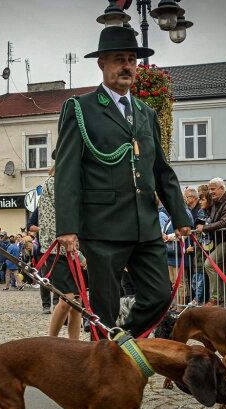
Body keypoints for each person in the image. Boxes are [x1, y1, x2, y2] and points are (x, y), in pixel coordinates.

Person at [55, 26, 191, 337]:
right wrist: (66, 226)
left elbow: (161, 170)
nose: (127, 66)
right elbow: (67, 170)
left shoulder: (146, 113)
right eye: (119, 59)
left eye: (132, 59)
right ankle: (103, 368)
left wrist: (181, 216)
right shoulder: (80, 109)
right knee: (104, 307)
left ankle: (118, 345)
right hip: (102, 227)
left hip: (145, 225)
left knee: (159, 296)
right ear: (102, 63)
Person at [37, 164, 83, 339]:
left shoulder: (73, 183)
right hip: (58, 250)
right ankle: (52, 340)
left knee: (77, 301)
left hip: (74, 250)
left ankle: (74, 344)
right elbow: (54, 220)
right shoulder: (53, 183)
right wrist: (78, 252)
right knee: (68, 298)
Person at [200, 178, 226, 307]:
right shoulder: (216, 202)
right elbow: (213, 220)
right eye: (210, 189)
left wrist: (203, 228)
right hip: (220, 240)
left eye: (213, 189)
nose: (211, 192)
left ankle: (215, 298)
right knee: (223, 271)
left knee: (209, 264)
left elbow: (224, 222)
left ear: (221, 188)